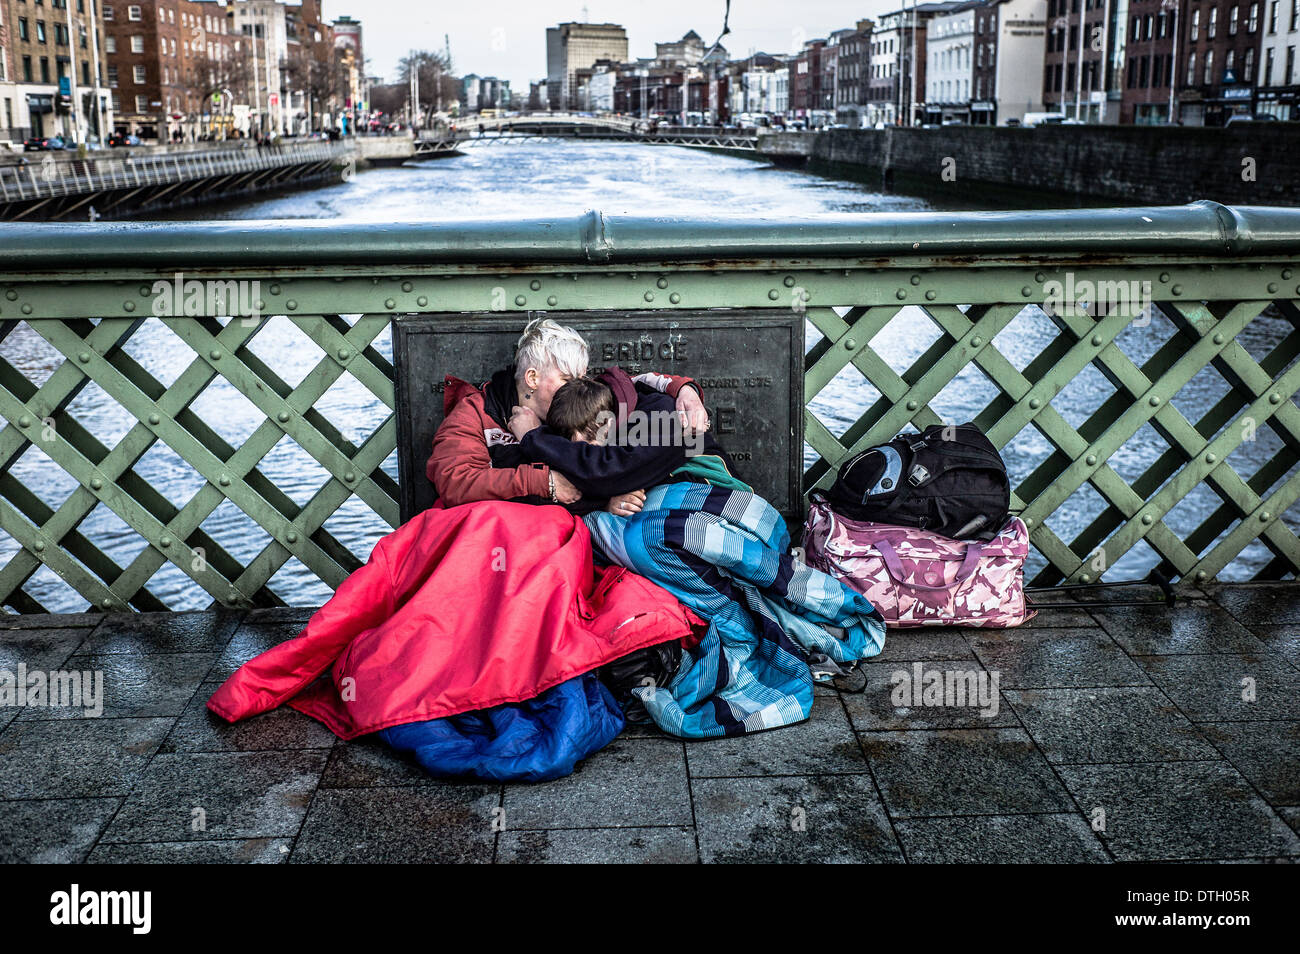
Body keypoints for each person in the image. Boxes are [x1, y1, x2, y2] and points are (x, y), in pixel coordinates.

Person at [426, 317, 708, 510]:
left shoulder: (581, 398)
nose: (578, 386)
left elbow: (628, 385)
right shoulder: (476, 413)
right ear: (533, 378)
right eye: (567, 378)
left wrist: (683, 388)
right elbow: (455, 481)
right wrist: (544, 482)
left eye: (581, 378)